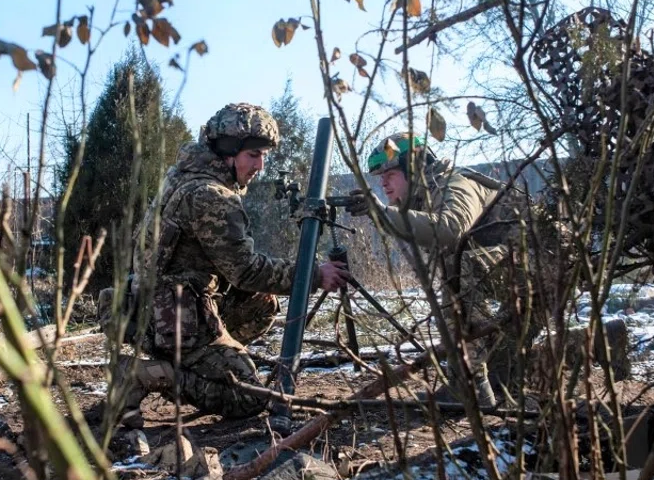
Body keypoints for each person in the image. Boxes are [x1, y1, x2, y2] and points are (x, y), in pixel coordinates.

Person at [99, 102, 351, 432]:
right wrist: (315, 275)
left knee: (262, 304)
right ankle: (143, 374)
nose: (260, 165)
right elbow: (245, 271)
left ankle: (212, 362)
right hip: (177, 321)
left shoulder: (182, 177)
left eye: (263, 156)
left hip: (157, 309)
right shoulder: (211, 195)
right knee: (249, 398)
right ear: (229, 152)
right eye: (253, 155)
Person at [345, 132, 519, 409]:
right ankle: (472, 385)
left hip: (546, 263)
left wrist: (384, 214)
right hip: (520, 270)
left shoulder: (454, 184)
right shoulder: (421, 199)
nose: (383, 182)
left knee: (459, 271)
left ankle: (471, 389)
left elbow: (450, 229)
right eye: (380, 176)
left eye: (390, 173)